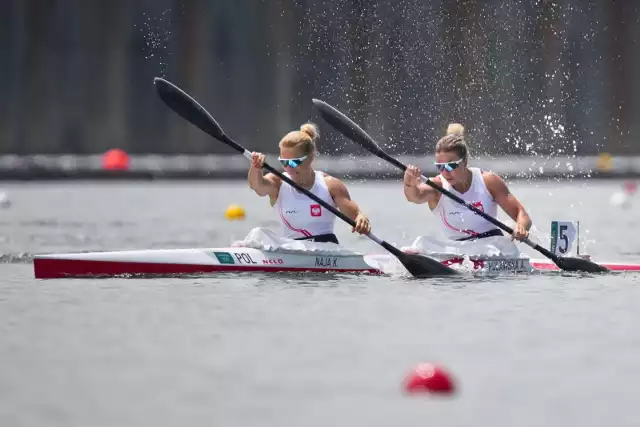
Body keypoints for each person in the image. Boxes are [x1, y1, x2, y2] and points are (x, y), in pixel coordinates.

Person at [403, 123, 532, 243]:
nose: (445, 172)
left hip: (491, 246)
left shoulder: (489, 181)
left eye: (450, 166)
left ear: (465, 161)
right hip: (458, 250)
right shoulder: (437, 186)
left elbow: (521, 214)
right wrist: (410, 183)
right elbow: (415, 196)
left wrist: (521, 228)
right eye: (440, 167)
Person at [248, 122, 371, 244]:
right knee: (257, 234)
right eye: (284, 162)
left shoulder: (331, 186)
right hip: (292, 250)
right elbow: (257, 186)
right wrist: (256, 168)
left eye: (293, 162)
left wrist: (361, 219)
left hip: (326, 250)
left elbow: (355, 215)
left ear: (311, 157)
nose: (288, 168)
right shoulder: (278, 183)